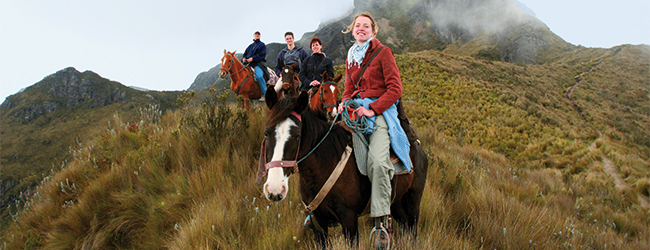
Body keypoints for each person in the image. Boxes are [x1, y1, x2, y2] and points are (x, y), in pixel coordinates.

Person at [337, 12, 412, 249]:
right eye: (357, 25)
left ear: (373, 30)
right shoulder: (351, 57)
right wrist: (344, 101)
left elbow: (395, 89)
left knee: (379, 163)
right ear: (352, 30)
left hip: (378, 113)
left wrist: (373, 109)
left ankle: (381, 222)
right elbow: (349, 88)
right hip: (354, 112)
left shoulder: (383, 52)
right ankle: (319, 211)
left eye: (365, 26)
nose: (361, 29)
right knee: (328, 144)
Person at [242, 31, 268, 101]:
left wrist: (253, 58)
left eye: (258, 34)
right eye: (256, 34)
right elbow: (245, 54)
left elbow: (262, 55)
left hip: (257, 64)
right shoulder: (250, 46)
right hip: (248, 64)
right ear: (253, 35)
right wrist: (244, 58)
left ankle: (265, 94)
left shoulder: (262, 45)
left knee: (259, 76)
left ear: (260, 36)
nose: (257, 35)